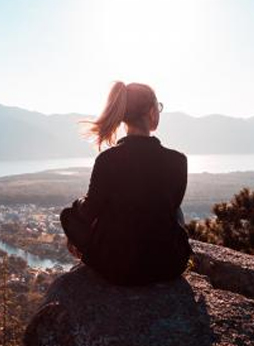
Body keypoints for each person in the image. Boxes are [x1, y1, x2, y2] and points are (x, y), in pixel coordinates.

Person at [60, 81, 192, 286]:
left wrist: (78, 205)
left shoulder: (108, 160)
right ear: (150, 112)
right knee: (175, 210)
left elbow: (89, 211)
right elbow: (170, 208)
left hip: (116, 267)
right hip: (168, 265)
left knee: (69, 216)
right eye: (158, 107)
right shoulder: (178, 160)